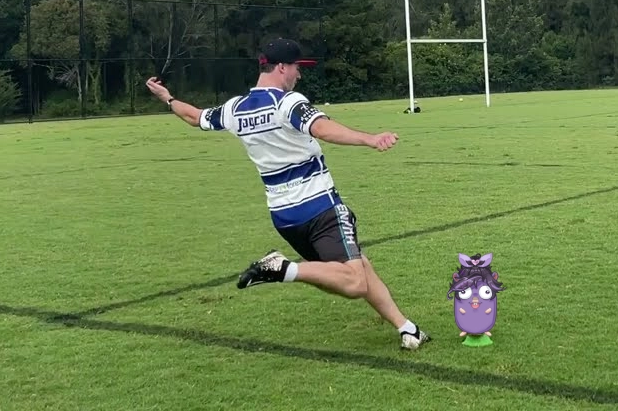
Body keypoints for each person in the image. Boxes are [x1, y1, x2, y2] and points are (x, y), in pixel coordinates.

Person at [144, 37, 430, 351]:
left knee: (358, 267)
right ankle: (282, 268)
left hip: (285, 218)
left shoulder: (235, 109)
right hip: (321, 208)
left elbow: (194, 117)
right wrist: (370, 139)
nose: (299, 75)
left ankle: (407, 328)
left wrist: (168, 99)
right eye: (296, 68)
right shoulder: (287, 103)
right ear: (281, 67)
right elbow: (321, 128)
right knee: (355, 280)